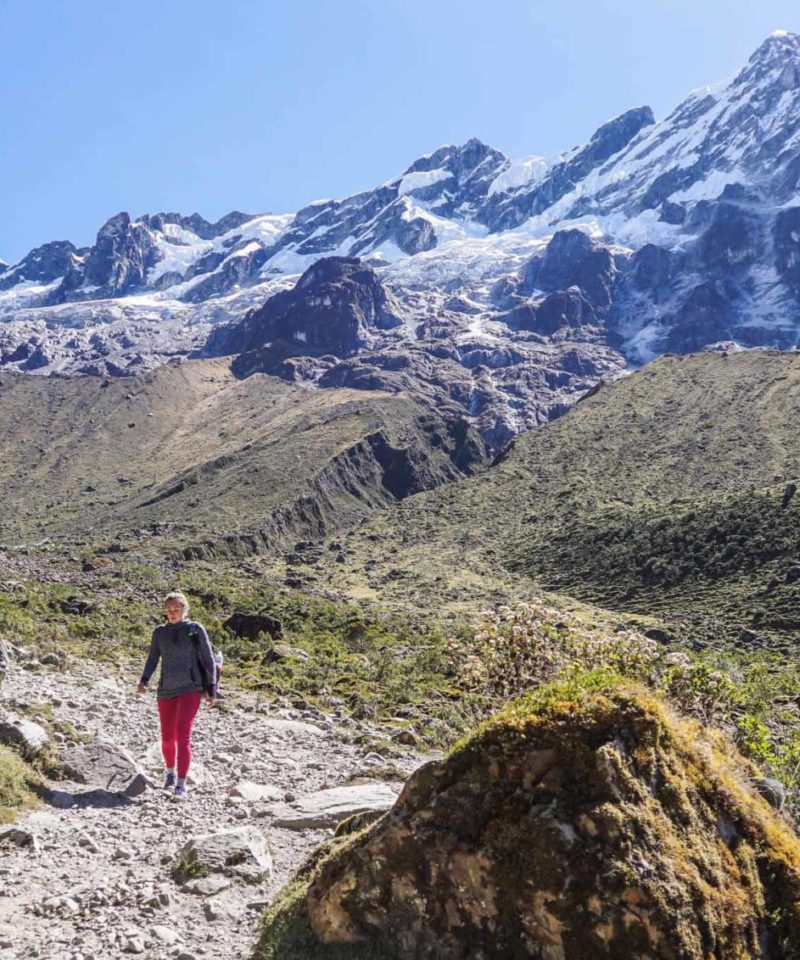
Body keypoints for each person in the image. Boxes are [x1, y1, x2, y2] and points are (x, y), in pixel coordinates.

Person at [137, 591, 216, 800]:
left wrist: (211, 690)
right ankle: (170, 775)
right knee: (166, 739)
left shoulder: (195, 629)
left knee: (183, 736)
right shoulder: (159, 632)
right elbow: (153, 658)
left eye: (176, 609)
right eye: (169, 610)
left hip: (191, 688)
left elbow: (208, 660)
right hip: (165, 690)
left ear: (184, 609)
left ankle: (181, 784)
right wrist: (144, 680)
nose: (172, 613)